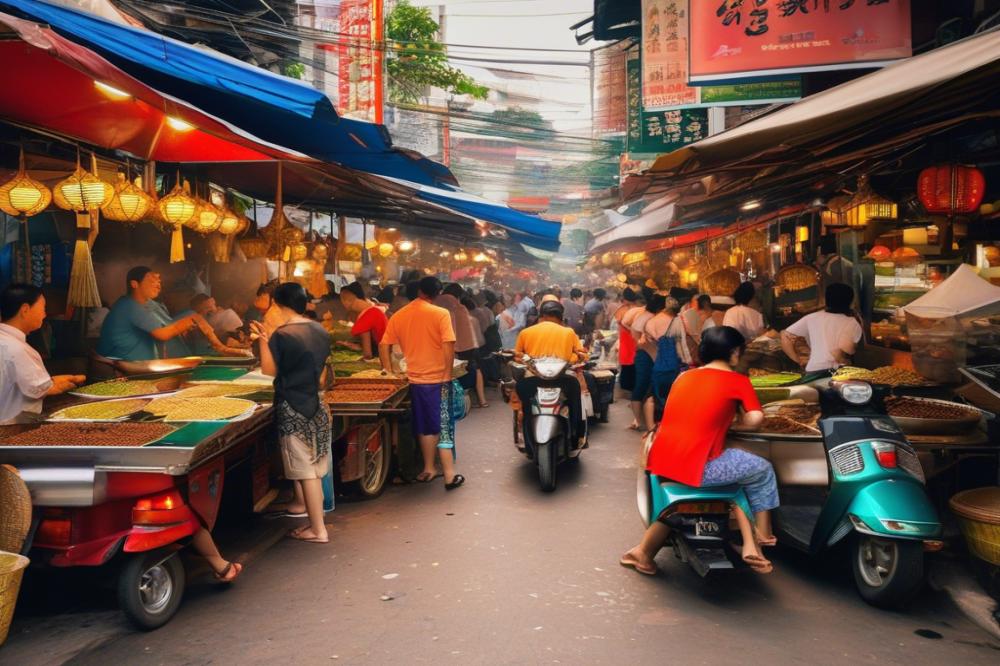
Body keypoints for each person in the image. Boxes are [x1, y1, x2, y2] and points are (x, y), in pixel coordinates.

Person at [620, 326, 778, 577]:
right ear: (735, 352)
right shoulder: (738, 381)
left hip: (662, 460)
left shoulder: (684, 376)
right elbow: (756, 419)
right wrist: (741, 421)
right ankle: (763, 535)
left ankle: (642, 554)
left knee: (683, 504)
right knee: (762, 470)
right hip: (697, 466)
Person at [252, 283, 332, 544]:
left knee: (305, 471)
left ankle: (318, 530)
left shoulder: (282, 334)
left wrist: (263, 341)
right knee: (316, 468)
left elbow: (269, 370)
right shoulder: (319, 329)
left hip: (292, 405)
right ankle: (316, 523)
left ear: (278, 303)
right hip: (316, 403)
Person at [379, 276, 465, 490]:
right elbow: (449, 344)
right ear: (436, 294)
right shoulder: (440, 313)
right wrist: (446, 373)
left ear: (419, 292)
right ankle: (448, 475)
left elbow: (383, 345)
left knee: (425, 424)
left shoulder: (399, 315)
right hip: (438, 378)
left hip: (415, 379)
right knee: (442, 424)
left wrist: (389, 371)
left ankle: (429, 468)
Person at [0, 284, 85, 424]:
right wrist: (61, 385)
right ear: (25, 310)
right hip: (10, 430)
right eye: (43, 308)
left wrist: (55, 381)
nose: (44, 314)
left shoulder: (7, 341)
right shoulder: (17, 349)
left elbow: (26, 383)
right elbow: (39, 389)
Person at [513, 300, 588, 447]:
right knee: (574, 398)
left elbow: (517, 356)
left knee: (525, 405)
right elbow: (582, 355)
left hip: (532, 380)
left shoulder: (526, 332)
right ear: (560, 318)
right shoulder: (568, 332)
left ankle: (526, 438)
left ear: (541, 316)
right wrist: (570, 358)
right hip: (563, 380)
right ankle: (576, 435)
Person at [98, 266, 207, 361]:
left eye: (158, 282)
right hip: (119, 366)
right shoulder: (130, 306)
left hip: (134, 365)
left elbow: (166, 325)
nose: (157, 285)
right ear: (134, 284)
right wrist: (190, 321)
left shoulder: (141, 304)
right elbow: (163, 334)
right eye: (151, 281)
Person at [781, 283, 863, 372]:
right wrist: (850, 352)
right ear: (850, 302)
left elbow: (785, 336)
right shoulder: (851, 322)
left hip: (813, 370)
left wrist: (798, 360)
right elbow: (845, 347)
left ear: (826, 299)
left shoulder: (812, 317)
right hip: (835, 372)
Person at [641, 296, 691, 422]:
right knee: (674, 397)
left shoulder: (652, 322)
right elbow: (684, 346)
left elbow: (644, 343)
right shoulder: (680, 322)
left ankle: (653, 428)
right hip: (676, 366)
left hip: (660, 365)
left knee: (653, 398)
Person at [436, 284, 486, 408]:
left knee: (450, 371)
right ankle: (482, 400)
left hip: (448, 345)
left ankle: (448, 400)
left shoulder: (440, 305)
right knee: (475, 368)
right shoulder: (460, 308)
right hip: (468, 345)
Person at [625, 291, 657, 433]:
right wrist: (642, 343)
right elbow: (633, 330)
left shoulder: (646, 315)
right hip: (645, 354)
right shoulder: (646, 315)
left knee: (645, 385)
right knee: (642, 385)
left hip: (646, 353)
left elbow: (630, 327)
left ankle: (640, 419)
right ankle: (638, 420)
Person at [339, 281, 388, 360]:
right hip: (385, 354)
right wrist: (356, 346)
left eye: (343, 299)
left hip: (381, 358)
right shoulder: (373, 310)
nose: (343, 303)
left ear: (348, 301)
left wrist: (356, 361)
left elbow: (368, 355)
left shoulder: (365, 317)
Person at [613, 288, 639, 402]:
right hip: (633, 338)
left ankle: (629, 389)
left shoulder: (622, 309)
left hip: (627, 338)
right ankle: (632, 388)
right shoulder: (637, 309)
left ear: (624, 298)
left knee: (628, 361)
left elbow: (619, 320)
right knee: (633, 360)